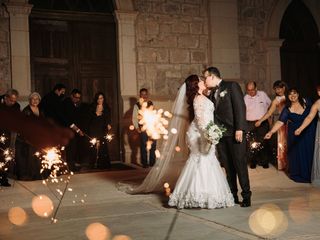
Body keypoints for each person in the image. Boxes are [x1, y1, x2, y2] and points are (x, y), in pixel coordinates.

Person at [168, 75, 234, 209]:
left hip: (205, 131)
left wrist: (211, 132)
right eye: (201, 81)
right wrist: (210, 133)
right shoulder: (198, 99)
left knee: (208, 160)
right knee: (201, 161)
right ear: (196, 85)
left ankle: (209, 194)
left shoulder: (202, 97)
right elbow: (200, 120)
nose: (204, 81)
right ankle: (198, 195)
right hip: (200, 133)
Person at [204, 66, 251, 207]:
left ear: (212, 76)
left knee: (239, 164)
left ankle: (246, 196)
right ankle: (232, 195)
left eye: (205, 77)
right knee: (228, 167)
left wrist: (240, 128)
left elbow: (240, 107)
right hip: (221, 135)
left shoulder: (231, 86)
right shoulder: (212, 94)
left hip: (235, 132)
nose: (204, 80)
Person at [265, 88, 316, 183]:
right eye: (290, 94)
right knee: (297, 153)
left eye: (295, 93)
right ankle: (300, 174)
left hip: (309, 131)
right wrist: (271, 132)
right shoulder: (287, 109)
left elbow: (313, 114)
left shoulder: (307, 102)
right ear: (287, 97)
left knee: (310, 151)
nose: (293, 96)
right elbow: (280, 122)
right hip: (295, 132)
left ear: (298, 94)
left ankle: (312, 174)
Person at [255, 80, 288, 170]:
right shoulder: (276, 100)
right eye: (276, 89)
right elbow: (269, 113)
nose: (278, 91)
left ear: (284, 88)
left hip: (293, 122)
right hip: (282, 123)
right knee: (282, 144)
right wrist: (260, 121)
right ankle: (284, 164)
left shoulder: (290, 96)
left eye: (279, 88)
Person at [295, 85, 320, 185]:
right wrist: (300, 129)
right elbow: (309, 117)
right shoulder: (317, 103)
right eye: (318, 91)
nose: (319, 93)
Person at [15, 92, 43, 180]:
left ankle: (37, 174)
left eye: (37, 99)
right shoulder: (26, 110)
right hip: (29, 138)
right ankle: (31, 175)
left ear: (39, 100)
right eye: (33, 99)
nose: (35, 101)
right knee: (31, 156)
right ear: (30, 100)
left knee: (38, 156)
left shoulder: (40, 109)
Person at [244, 81, 271, 169]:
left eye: (252, 90)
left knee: (263, 142)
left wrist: (267, 116)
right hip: (250, 123)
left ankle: (264, 161)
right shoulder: (245, 98)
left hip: (262, 122)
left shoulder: (262, 94)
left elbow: (270, 104)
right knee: (251, 143)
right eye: (248, 90)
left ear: (256, 88)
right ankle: (253, 161)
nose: (250, 92)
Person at [0, 89, 20, 186]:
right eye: (11, 100)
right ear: (6, 97)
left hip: (7, 134)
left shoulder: (16, 106)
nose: (13, 102)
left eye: (14, 100)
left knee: (5, 156)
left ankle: (4, 178)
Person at [132, 88, 157, 168]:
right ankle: (145, 163)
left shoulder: (151, 103)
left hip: (152, 128)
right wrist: (137, 127)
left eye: (145, 94)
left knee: (153, 145)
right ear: (140, 95)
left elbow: (155, 115)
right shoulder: (137, 105)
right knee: (144, 146)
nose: (144, 96)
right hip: (143, 128)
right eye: (142, 94)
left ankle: (152, 163)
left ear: (147, 95)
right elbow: (134, 118)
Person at [62, 89, 85, 171]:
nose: (77, 99)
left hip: (73, 130)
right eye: (76, 97)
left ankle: (72, 165)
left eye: (79, 98)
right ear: (71, 95)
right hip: (68, 130)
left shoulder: (73, 103)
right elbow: (69, 120)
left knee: (73, 148)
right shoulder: (67, 103)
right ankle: (70, 167)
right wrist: (78, 130)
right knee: (70, 149)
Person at [88, 92, 112, 169]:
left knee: (103, 145)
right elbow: (89, 118)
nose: (100, 100)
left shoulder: (106, 107)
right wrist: (96, 114)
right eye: (98, 98)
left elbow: (108, 117)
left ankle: (103, 164)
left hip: (102, 129)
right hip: (94, 128)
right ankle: (93, 163)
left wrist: (108, 124)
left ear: (103, 99)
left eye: (101, 98)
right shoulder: (92, 106)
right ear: (96, 99)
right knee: (94, 145)